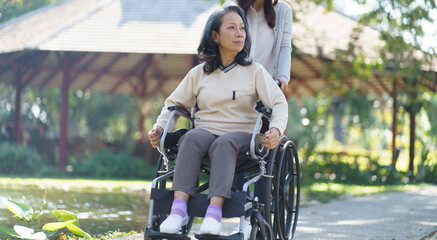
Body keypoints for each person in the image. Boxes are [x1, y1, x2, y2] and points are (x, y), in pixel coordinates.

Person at [148, 5, 288, 237]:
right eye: (231, 28)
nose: (240, 33)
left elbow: (279, 102)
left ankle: (214, 214)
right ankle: (178, 210)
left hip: (242, 137)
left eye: (242, 28)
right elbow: (173, 104)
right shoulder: (199, 73)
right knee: (191, 137)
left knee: (224, 144)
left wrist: (275, 128)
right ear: (215, 35)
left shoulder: (255, 71)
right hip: (206, 133)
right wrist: (160, 127)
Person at [224, 0, 293, 238]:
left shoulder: (282, 11)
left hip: (266, 87)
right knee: (235, 145)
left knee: (263, 150)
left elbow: (284, 46)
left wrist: (283, 78)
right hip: (235, 87)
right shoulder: (232, 7)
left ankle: (260, 213)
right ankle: (239, 213)